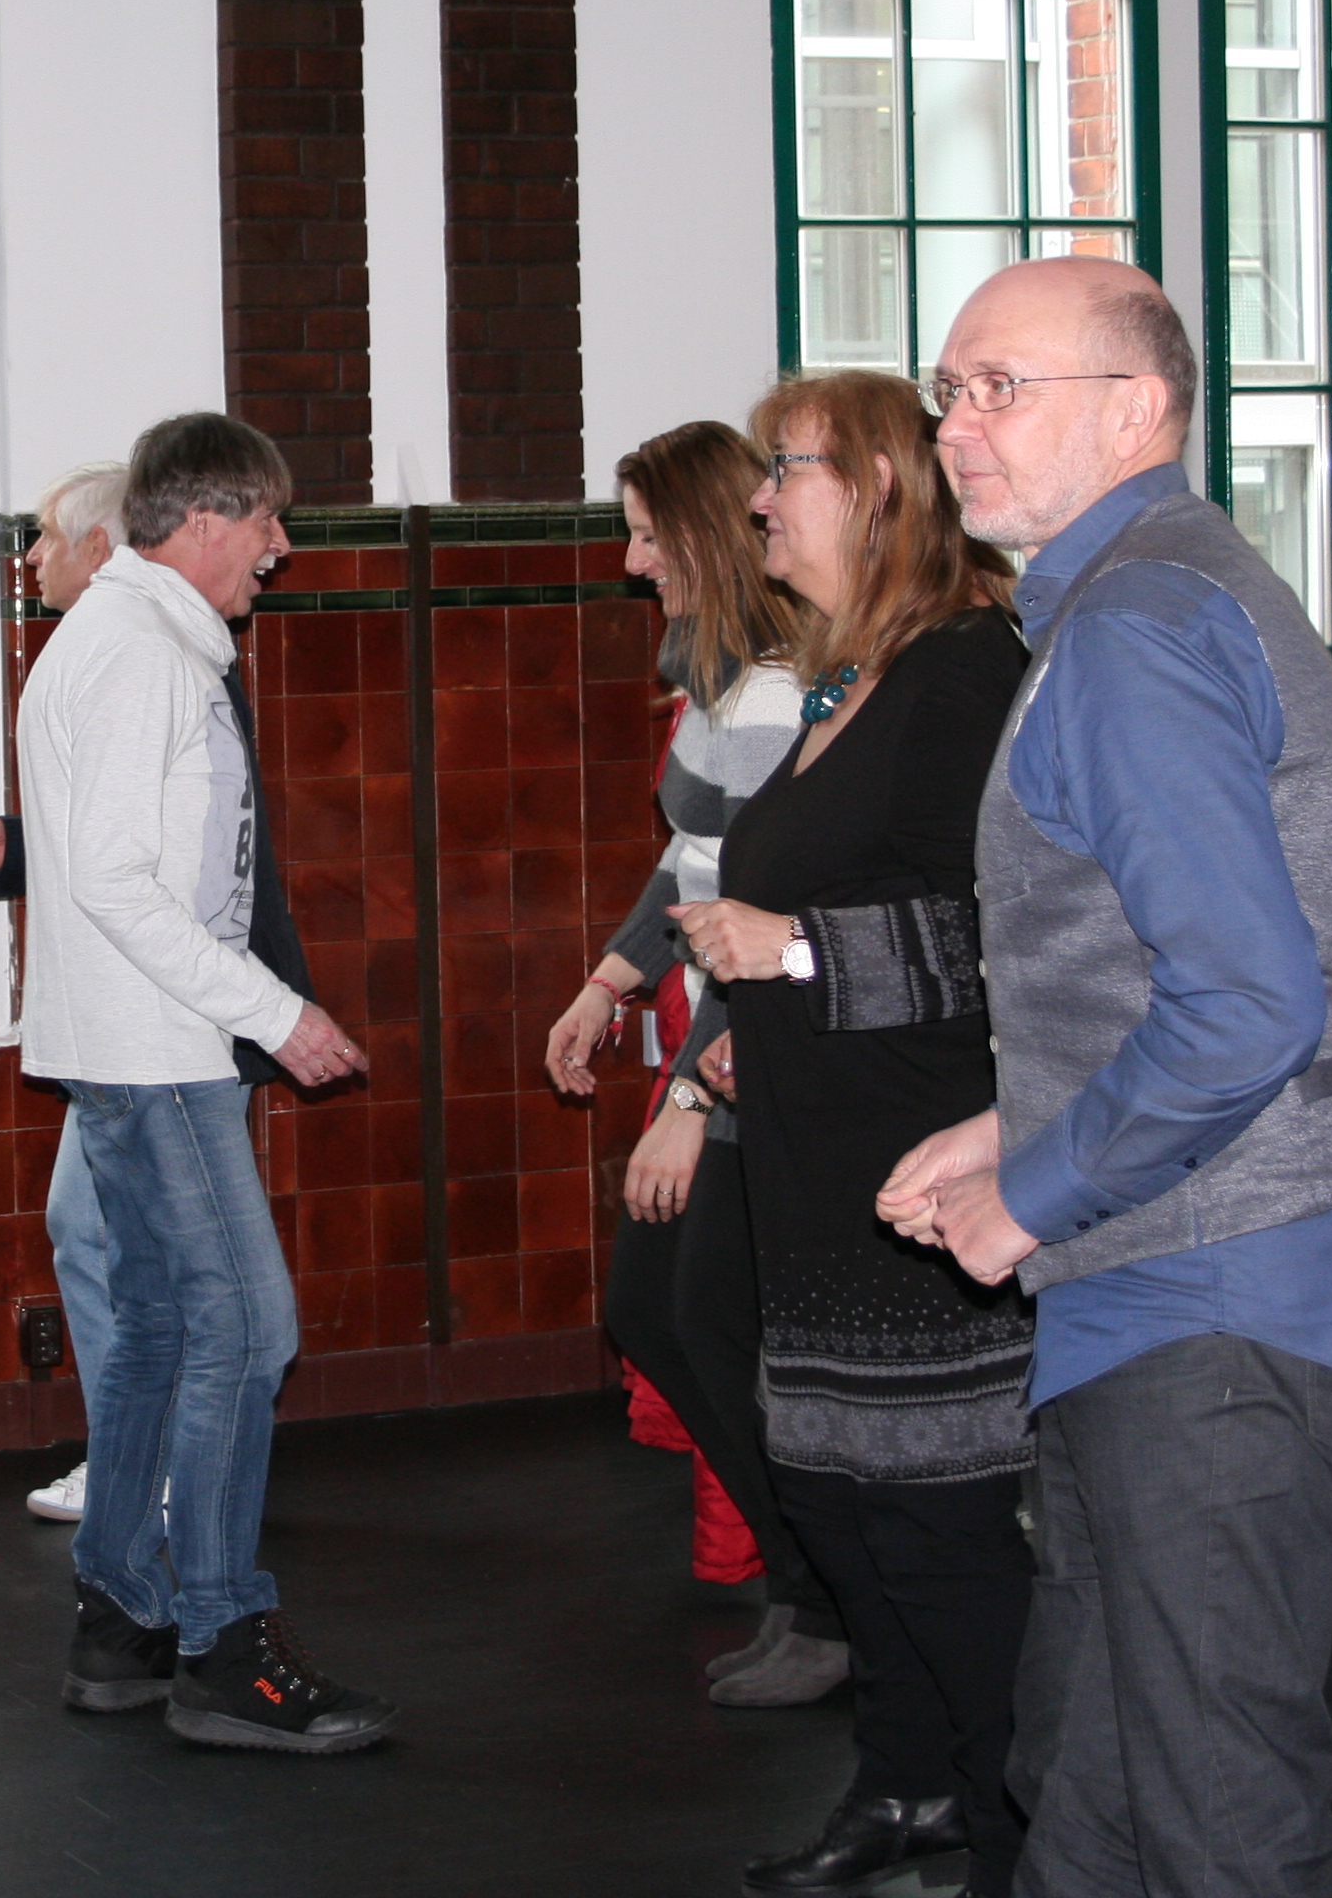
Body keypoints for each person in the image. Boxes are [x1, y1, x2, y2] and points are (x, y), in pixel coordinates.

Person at [879, 257, 1332, 1898]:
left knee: (1210, 1813)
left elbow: (1251, 1001)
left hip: (1223, 1294)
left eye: (1001, 387)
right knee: (1091, 1791)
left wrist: (1033, 1191)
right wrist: (1019, 1120)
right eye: (948, 389)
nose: (957, 425)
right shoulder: (1144, 595)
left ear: (1136, 410)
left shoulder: (1136, 623)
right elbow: (1193, 962)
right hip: (1187, 1285)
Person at [666, 375, 1033, 1898]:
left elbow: (1004, 934)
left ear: (880, 489)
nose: (759, 500)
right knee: (835, 1502)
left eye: (788, 469)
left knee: (935, 1530)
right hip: (819, 1165)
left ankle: (1013, 1828)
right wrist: (749, 1024)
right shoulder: (850, 678)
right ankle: (904, 1785)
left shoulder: (966, 674)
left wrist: (796, 954)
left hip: (922, 1175)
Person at [19, 411, 391, 1754]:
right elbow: (117, 883)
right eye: (269, 522)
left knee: (163, 1334)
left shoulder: (135, 636)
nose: (279, 550)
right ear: (204, 520)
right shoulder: (138, 653)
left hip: (143, 1048)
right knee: (248, 1330)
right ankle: (225, 1646)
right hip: (160, 1053)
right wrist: (274, 1014)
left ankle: (123, 1618)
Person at [535, 420, 851, 1710]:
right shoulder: (725, 684)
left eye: (648, 536)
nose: (632, 561)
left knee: (695, 1315)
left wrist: (687, 1094)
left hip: (758, 1055)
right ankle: (810, 1587)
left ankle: (823, 1595)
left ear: (707, 537)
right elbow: (693, 863)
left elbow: (773, 909)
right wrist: (607, 980)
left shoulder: (777, 696)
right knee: (662, 1313)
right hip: (723, 1045)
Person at [0, 461, 319, 1526]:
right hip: (152, 1024)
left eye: (46, 536)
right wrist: (26, 849)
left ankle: (156, 1487)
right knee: (123, 1256)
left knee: (219, 1308)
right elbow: (136, 843)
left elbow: (177, 866)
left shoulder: (155, 648)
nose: (30, 557)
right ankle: (145, 1489)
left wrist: (265, 1010)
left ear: (103, 545)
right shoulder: (137, 646)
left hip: (173, 1023)